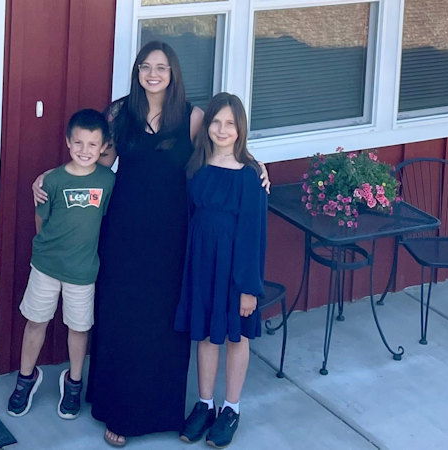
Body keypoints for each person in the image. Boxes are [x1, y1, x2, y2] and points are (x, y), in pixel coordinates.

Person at [32, 41, 270, 447]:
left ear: (173, 72)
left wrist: (257, 165)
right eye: (146, 66)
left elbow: (223, 151)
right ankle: (118, 410)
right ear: (138, 72)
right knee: (123, 316)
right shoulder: (119, 113)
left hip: (174, 233)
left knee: (163, 320)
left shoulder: (193, 117)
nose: (153, 73)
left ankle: (160, 411)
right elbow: (95, 162)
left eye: (161, 66)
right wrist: (50, 179)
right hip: (124, 229)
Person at [7, 109, 115, 421]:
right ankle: (26, 378)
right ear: (68, 142)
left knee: (79, 328)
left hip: (83, 272)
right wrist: (51, 252)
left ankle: (73, 383)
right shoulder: (51, 181)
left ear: (103, 147)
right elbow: (41, 221)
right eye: (78, 143)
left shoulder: (107, 181)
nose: (85, 151)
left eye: (93, 145)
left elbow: (107, 219)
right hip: (46, 267)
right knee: (36, 322)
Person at [174, 93, 266, 448]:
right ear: (206, 125)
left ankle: (231, 408)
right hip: (201, 262)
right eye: (216, 122)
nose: (222, 129)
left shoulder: (249, 176)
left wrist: (248, 287)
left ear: (240, 128)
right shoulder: (195, 166)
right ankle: (205, 403)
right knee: (205, 335)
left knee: (235, 336)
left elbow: (253, 236)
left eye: (230, 123)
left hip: (235, 267)